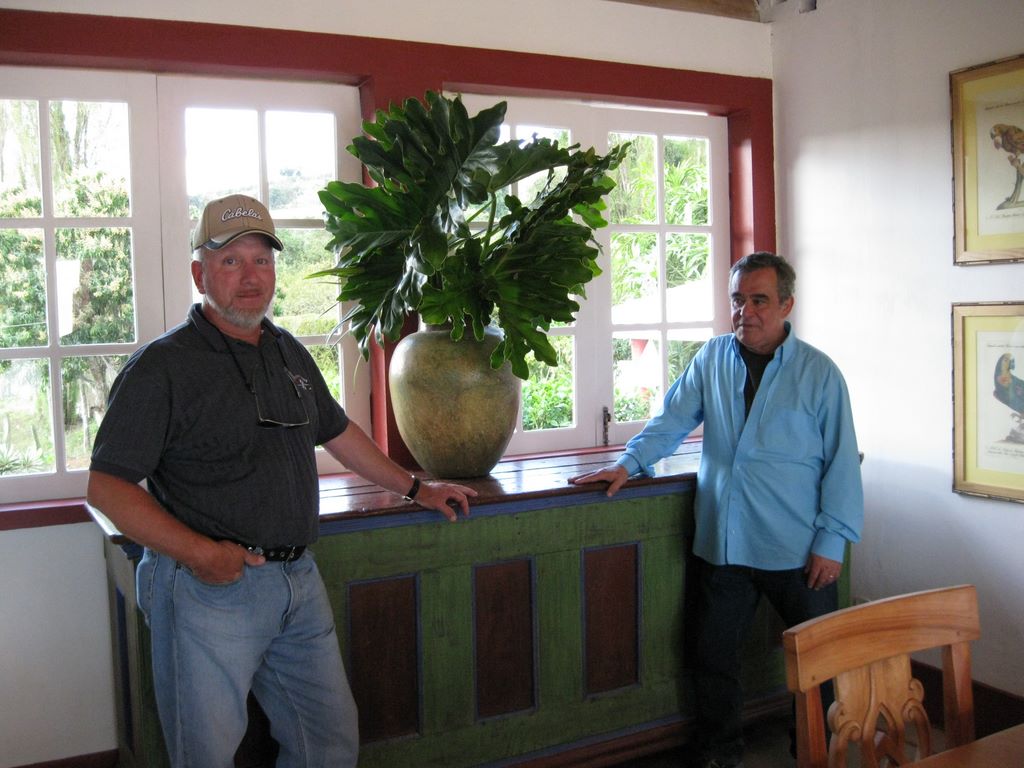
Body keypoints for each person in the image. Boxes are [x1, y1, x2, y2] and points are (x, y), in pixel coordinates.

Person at [87, 194, 477, 768]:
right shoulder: (161, 367)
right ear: (200, 274)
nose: (250, 277)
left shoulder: (287, 351)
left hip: (298, 582)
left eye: (262, 261)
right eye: (230, 261)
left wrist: (416, 488)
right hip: (208, 590)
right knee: (206, 757)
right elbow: (108, 488)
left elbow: (338, 431)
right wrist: (200, 555)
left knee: (328, 744)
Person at [570, 252, 862, 768]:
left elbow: (842, 463)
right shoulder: (710, 359)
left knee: (819, 665)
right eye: (737, 299)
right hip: (726, 543)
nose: (745, 311)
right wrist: (628, 463)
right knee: (712, 658)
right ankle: (719, 754)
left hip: (799, 550)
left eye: (759, 300)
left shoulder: (821, 374)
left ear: (787, 304)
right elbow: (670, 421)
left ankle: (817, 754)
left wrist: (832, 542)